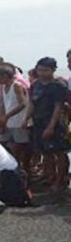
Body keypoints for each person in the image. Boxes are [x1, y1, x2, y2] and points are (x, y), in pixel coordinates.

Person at [26, 57, 69, 191]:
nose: (42, 73)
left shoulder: (58, 85)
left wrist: (51, 126)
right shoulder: (36, 84)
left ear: (53, 70)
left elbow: (58, 107)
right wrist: (26, 119)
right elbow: (32, 103)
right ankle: (49, 176)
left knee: (59, 152)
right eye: (39, 70)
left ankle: (60, 179)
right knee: (45, 151)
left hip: (54, 123)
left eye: (45, 70)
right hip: (38, 121)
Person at [0, 64, 30, 175]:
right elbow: (4, 104)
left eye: (0, 77)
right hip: (10, 122)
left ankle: (24, 172)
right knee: (10, 147)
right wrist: (2, 118)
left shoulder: (16, 86)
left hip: (19, 122)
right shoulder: (3, 87)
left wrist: (7, 116)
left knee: (22, 149)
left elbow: (23, 104)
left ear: (6, 76)